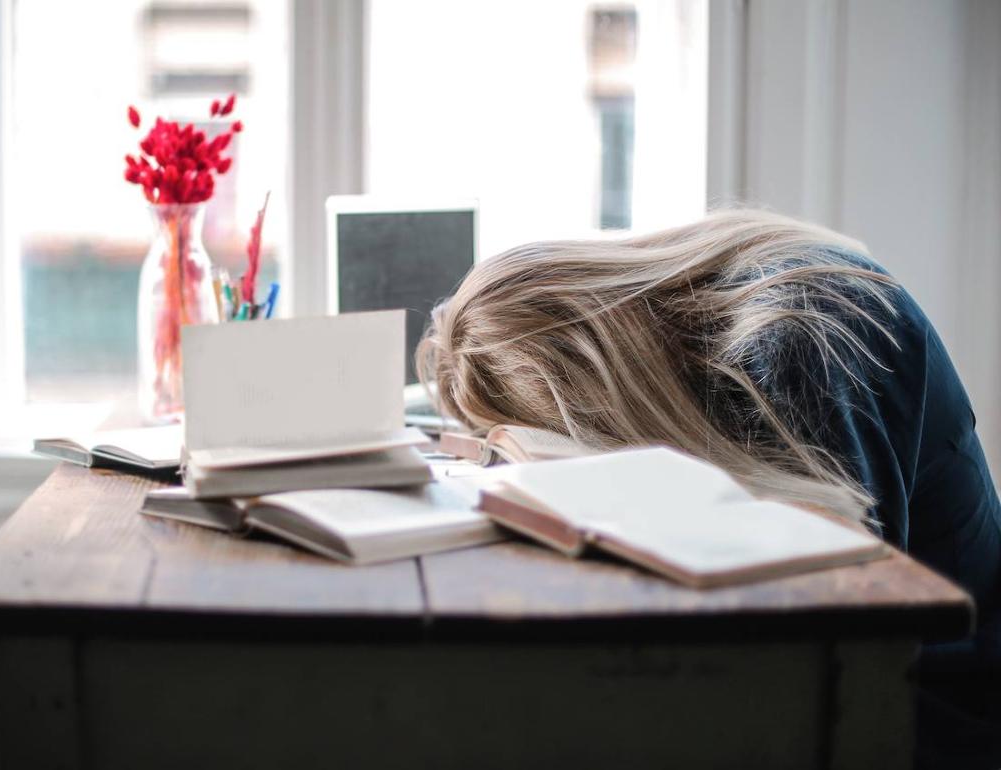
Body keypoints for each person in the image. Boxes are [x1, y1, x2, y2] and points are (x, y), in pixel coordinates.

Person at [417, 209, 1000, 767]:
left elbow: (834, 632)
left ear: (591, 391)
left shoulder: (800, 334)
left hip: (941, 714)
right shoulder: (720, 318)